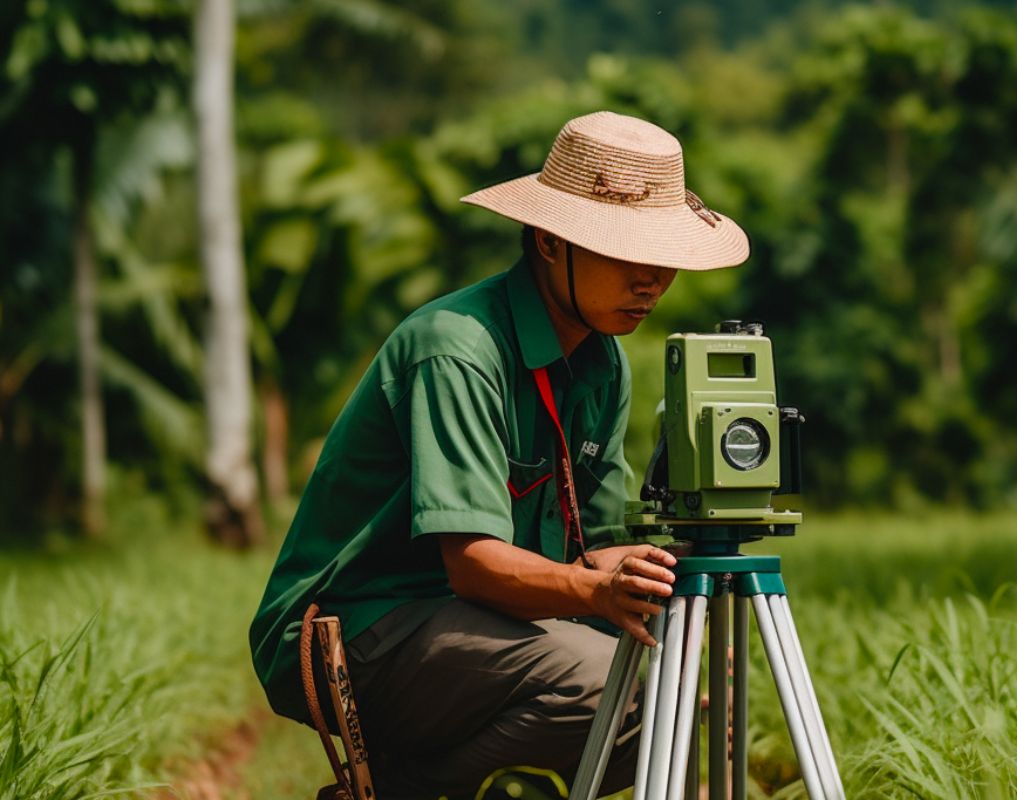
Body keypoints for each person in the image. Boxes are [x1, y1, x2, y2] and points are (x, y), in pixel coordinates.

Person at [249, 110, 749, 799]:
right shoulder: (457, 347)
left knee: (683, 696)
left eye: (664, 258)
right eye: (628, 254)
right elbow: (475, 566)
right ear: (548, 241)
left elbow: (598, 547)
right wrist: (600, 593)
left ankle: (421, 783)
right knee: (621, 687)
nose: (652, 281)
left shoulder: (604, 362)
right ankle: (409, 790)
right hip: (356, 622)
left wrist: (668, 589)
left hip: (486, 623)